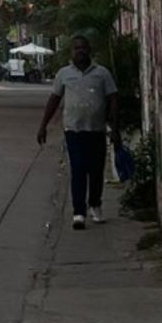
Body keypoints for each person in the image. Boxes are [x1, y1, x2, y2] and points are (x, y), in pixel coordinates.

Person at [36, 35, 120, 230]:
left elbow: (113, 99)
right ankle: (78, 212)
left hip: (96, 131)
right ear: (72, 52)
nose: (80, 51)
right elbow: (54, 100)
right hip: (73, 131)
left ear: (89, 50)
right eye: (76, 48)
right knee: (78, 170)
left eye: (83, 48)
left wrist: (115, 128)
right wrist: (43, 125)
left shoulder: (102, 74)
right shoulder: (64, 74)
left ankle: (95, 204)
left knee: (96, 171)